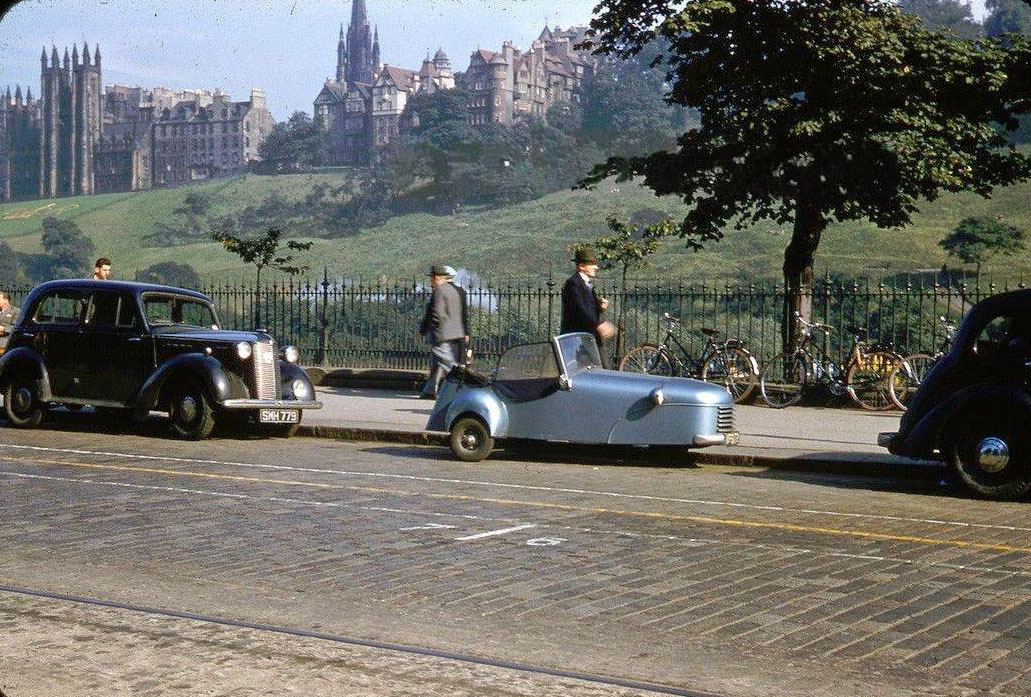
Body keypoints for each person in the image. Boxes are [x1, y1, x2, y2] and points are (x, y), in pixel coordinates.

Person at [561, 248, 615, 367]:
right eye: (592, 264)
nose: (596, 267)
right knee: (598, 371)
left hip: (590, 336)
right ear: (581, 266)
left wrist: (599, 306)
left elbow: (586, 307)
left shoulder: (586, 283)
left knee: (604, 369)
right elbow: (580, 309)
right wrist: (599, 324)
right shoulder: (573, 283)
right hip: (578, 338)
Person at [418, 265, 465, 399]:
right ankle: (430, 390)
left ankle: (463, 386)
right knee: (437, 362)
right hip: (456, 331)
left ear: (436, 277)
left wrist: (434, 327)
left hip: (442, 333)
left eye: (432, 277)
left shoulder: (439, 290)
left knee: (448, 363)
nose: (431, 280)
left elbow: (437, 312)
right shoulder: (454, 290)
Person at [442, 265, 471, 365]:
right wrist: (467, 333)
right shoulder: (461, 291)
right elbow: (464, 314)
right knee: (459, 361)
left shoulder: (440, 291)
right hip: (459, 331)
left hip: (444, 332)